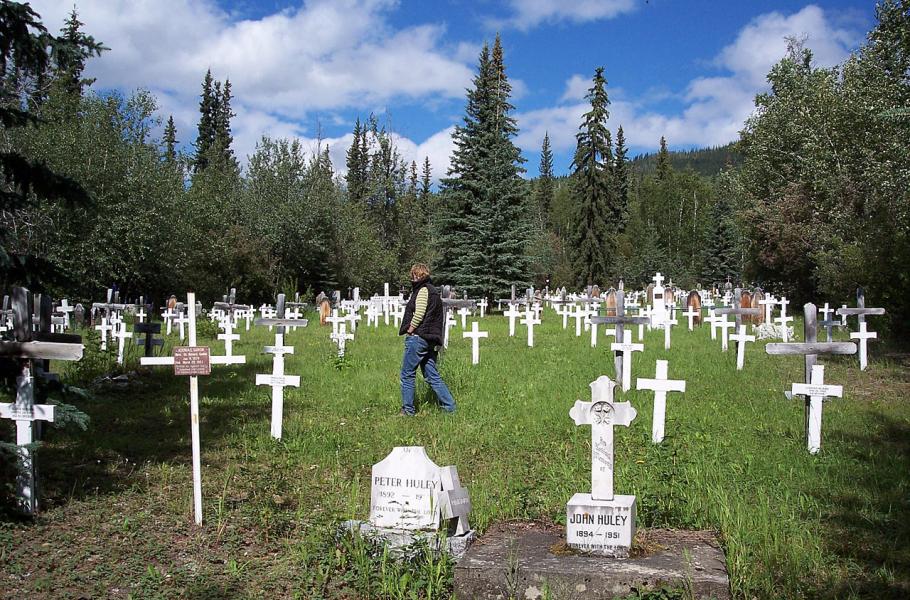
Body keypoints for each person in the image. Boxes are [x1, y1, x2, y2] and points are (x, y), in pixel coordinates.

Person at [398, 263, 456, 415]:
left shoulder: (423, 290)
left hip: (418, 337)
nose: (413, 278)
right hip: (429, 339)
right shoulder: (432, 290)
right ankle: (449, 407)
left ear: (418, 275)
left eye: (414, 275)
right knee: (431, 375)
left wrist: (410, 330)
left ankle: (408, 410)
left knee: (407, 374)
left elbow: (419, 313)